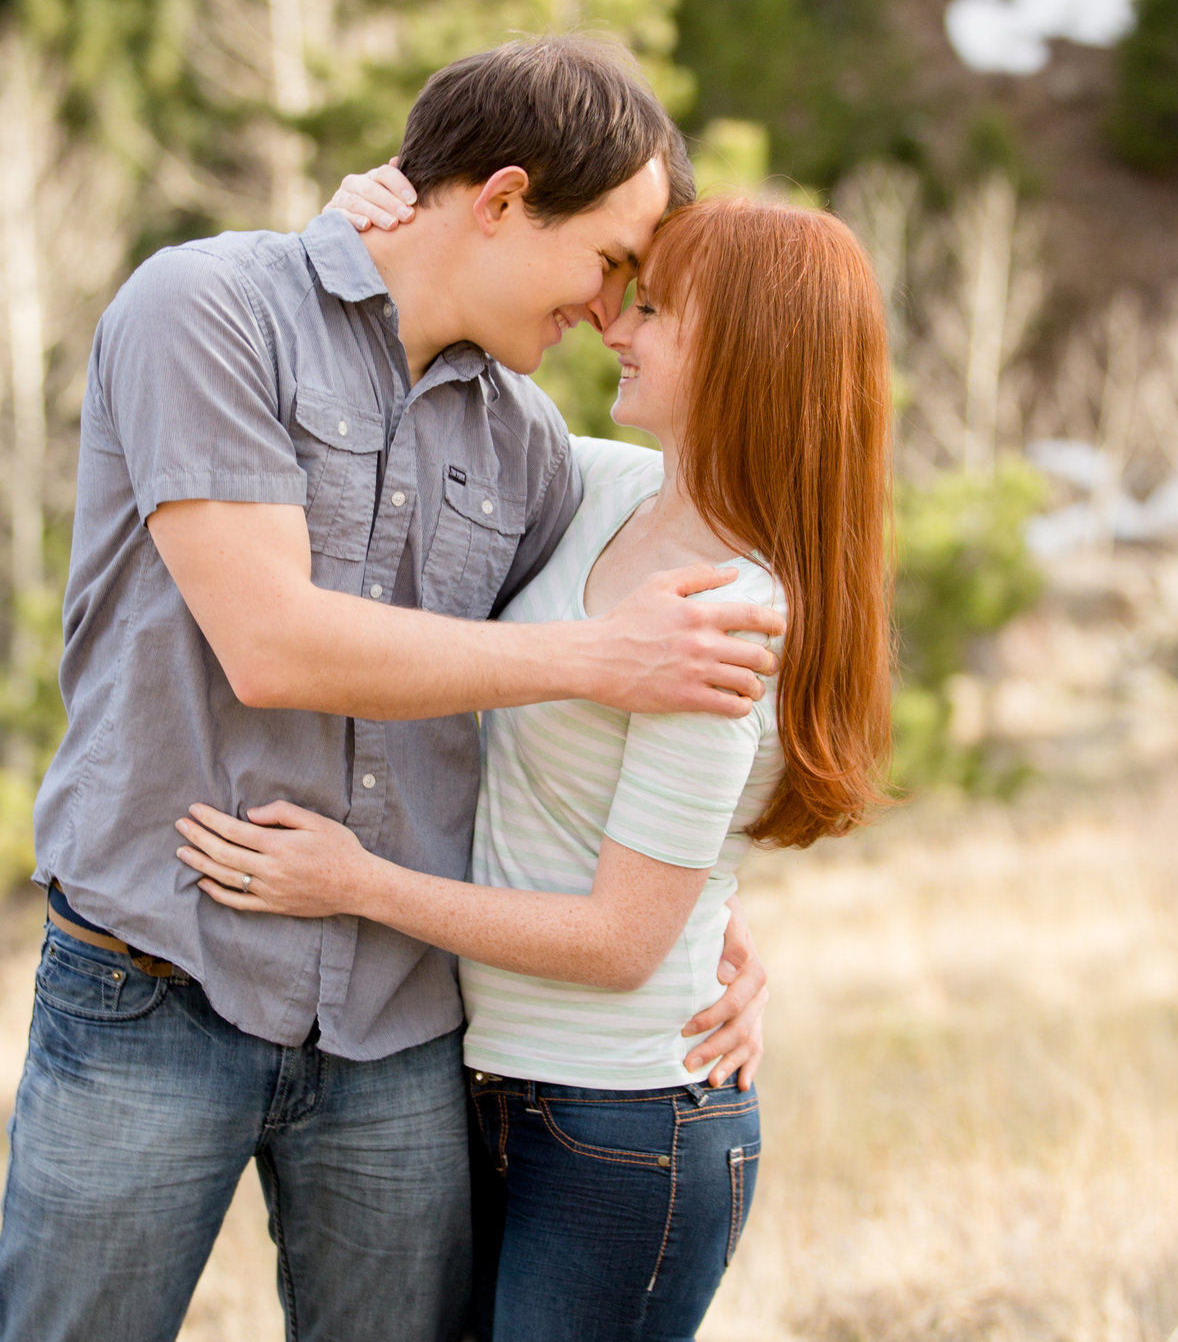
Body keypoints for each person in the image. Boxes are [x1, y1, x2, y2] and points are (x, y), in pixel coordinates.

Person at [0, 37, 782, 1342]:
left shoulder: (528, 443)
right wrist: (598, 655)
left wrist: (702, 911)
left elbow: (603, 682)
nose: (606, 312)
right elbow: (277, 644)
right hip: (155, 973)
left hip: (401, 1025)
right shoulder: (207, 309)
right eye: (607, 263)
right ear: (499, 199)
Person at [175, 192, 895, 1342]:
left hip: (623, 1124)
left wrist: (355, 882)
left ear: (749, 352)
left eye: (655, 309)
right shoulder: (606, 490)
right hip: (493, 1085)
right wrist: (377, 213)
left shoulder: (731, 613)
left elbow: (620, 940)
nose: (616, 325)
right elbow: (430, 358)